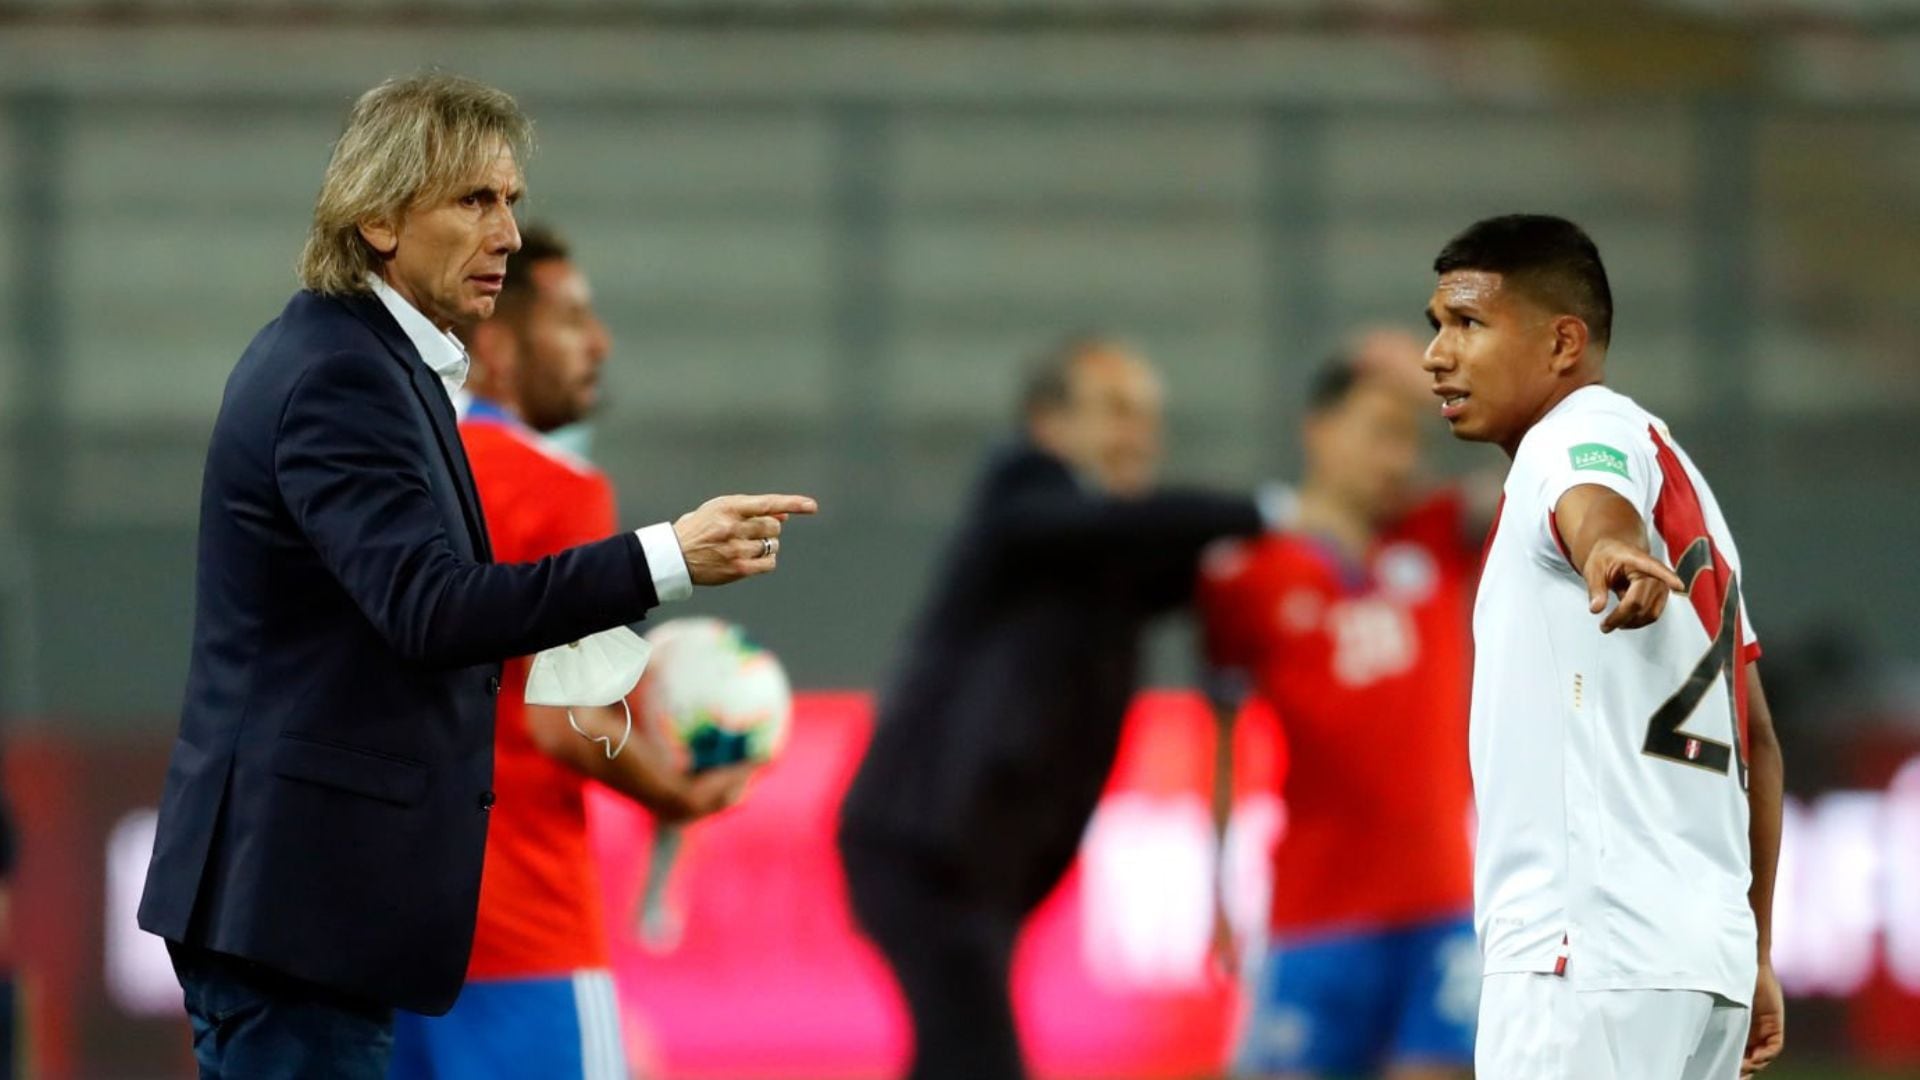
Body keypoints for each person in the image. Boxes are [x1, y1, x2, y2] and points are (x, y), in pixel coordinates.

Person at [137, 74, 814, 1078]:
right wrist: (668, 557)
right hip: (311, 907)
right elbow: (434, 610)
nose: (506, 233)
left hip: (330, 907)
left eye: (511, 202)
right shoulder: (341, 374)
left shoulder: (383, 368)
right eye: (474, 201)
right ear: (376, 218)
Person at [837, 337, 1277, 1080]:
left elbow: (1176, 560)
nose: (1139, 436)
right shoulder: (1022, 492)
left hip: (977, 861)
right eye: (1114, 412)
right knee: (978, 1059)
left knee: (954, 1054)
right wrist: (1276, 511)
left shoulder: (1103, 550)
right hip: (924, 849)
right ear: (1047, 423)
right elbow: (1123, 528)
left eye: (1147, 418)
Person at [1419, 214, 1785, 1078]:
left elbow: (1592, 501)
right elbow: (1758, 745)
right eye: (1435, 324)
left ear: (1563, 343)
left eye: (1468, 324)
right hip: (1703, 964)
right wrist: (1757, 951)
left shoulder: (1574, 439)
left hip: (1585, 957)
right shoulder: (1687, 488)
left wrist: (1609, 549)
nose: (1435, 354)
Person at [384, 225, 752, 1078]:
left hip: (369, 942)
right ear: (500, 347)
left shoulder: (384, 472)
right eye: (571, 318)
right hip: (520, 935)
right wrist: (676, 792)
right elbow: (565, 720)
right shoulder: (557, 487)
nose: (599, 342)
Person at [1199, 343, 1479, 1080]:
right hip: (1318, 908)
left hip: (1441, 901)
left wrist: (1459, 385)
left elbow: (1551, 465)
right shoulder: (1249, 576)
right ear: (1318, 429)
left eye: (1409, 438)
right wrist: (1218, 893)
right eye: (1379, 431)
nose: (1397, 457)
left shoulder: (1437, 534)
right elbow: (1221, 739)